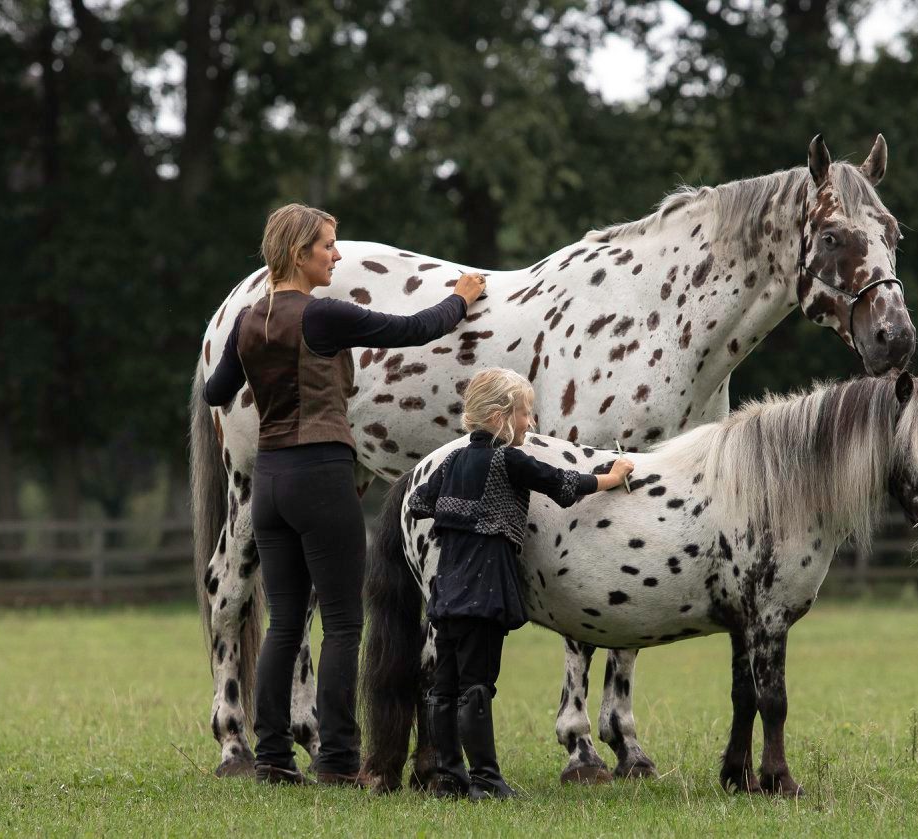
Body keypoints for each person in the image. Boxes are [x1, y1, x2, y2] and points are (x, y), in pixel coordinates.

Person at [202, 203, 486, 786]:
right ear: (298, 254)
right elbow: (411, 332)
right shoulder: (323, 316)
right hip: (321, 474)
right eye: (328, 246)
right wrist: (460, 296)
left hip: (271, 482)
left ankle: (273, 755)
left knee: (283, 623)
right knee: (342, 623)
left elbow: (217, 390)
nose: (336, 255)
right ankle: (336, 760)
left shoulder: (249, 320)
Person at [408, 368, 634, 801]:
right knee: (478, 684)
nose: (531, 424)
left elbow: (418, 503)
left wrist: (459, 510)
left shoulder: (452, 461)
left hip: (447, 588)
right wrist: (610, 476)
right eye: (526, 415)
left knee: (445, 684)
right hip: (483, 588)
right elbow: (561, 485)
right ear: (499, 418)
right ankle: (487, 780)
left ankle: (449, 776)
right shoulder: (507, 460)